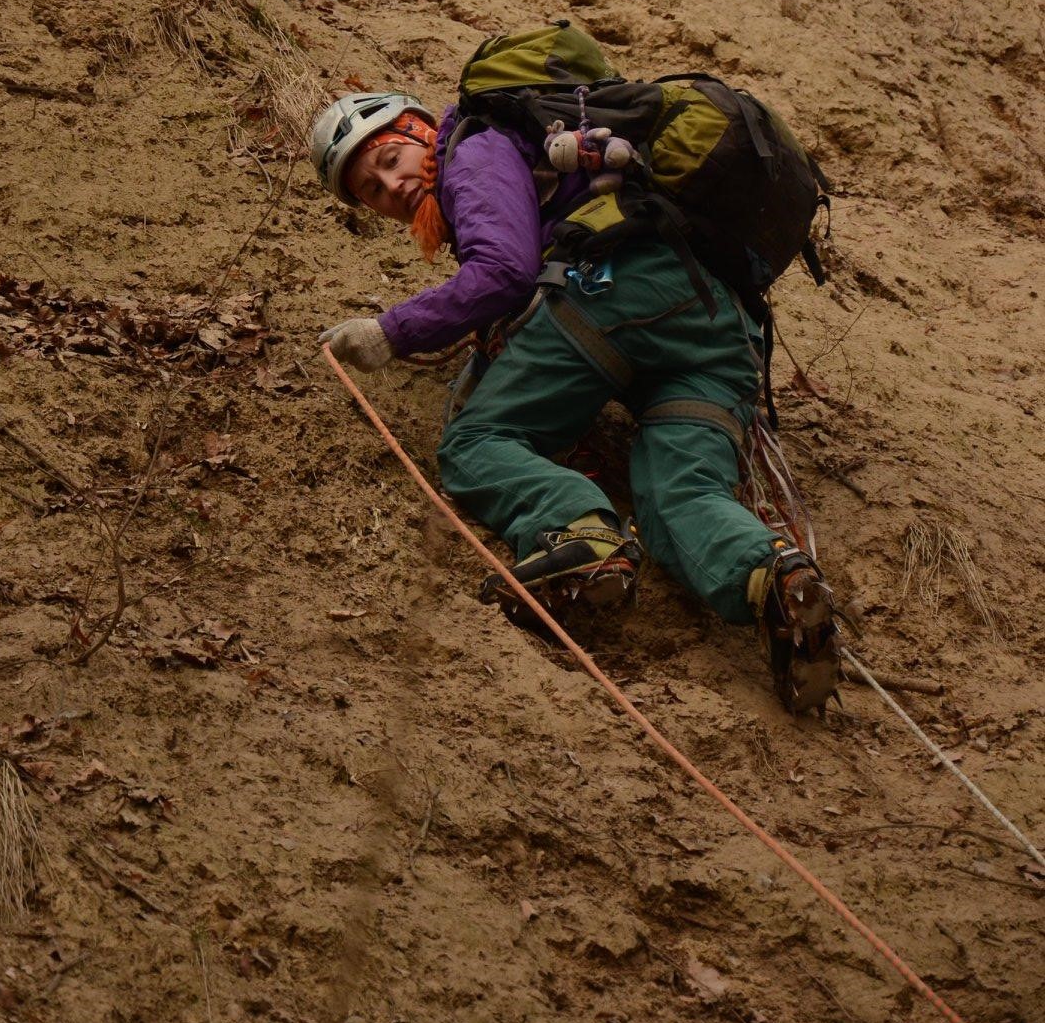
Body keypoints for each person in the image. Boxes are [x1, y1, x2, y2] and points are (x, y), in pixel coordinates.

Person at [310, 86, 841, 714]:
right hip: (715, 327)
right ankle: (773, 578)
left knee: (477, 443)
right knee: (679, 495)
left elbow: (503, 271)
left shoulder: (474, 149)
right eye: (371, 189)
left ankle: (580, 533)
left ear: (422, 130)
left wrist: (389, 331)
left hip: (614, 295)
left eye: (389, 160)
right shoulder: (536, 155)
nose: (391, 187)